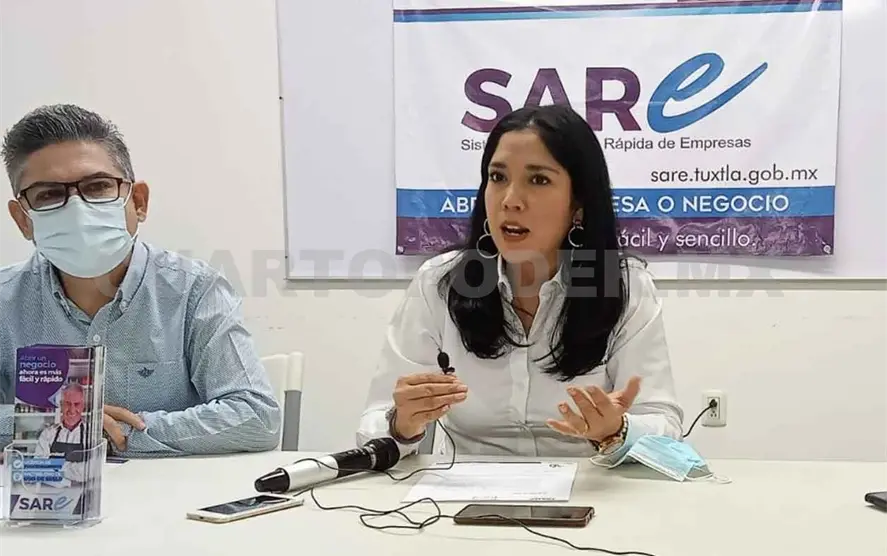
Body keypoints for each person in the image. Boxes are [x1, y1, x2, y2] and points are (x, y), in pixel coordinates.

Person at [358, 104, 683, 462]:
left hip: (590, 485)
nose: (510, 200)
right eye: (498, 177)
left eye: (538, 180)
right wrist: (401, 424)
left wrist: (616, 431)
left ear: (578, 204)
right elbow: (374, 424)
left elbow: (665, 429)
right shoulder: (439, 283)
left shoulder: (626, 288)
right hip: (465, 489)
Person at [0, 104, 281, 457]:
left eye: (97, 187)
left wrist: (116, 433)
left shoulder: (195, 290)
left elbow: (257, 418)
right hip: (42, 492)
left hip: (172, 490)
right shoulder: (5, 301)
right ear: (23, 220)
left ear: (138, 201)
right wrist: (50, 423)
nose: (77, 209)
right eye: (49, 195)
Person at [34, 382, 87, 483]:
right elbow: (39, 466)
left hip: (81, 491)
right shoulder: (48, 433)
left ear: (83, 406)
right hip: (50, 491)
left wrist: (54, 465)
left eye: (76, 404)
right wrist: (74, 472)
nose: (72, 410)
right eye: (68, 403)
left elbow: (90, 471)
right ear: (61, 405)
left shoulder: (90, 434)